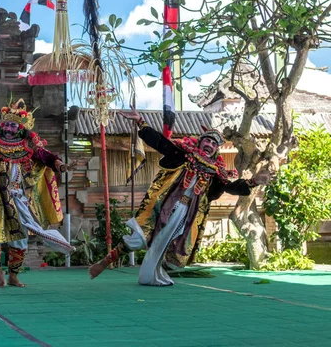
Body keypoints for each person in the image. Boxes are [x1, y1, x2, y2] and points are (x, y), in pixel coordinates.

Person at [89, 107, 271, 286]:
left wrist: (254, 181)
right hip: (165, 206)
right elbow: (161, 142)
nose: (210, 145)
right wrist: (140, 122)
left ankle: (152, 275)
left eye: (214, 144)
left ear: (216, 150)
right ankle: (106, 261)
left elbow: (231, 187)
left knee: (169, 246)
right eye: (207, 141)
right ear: (200, 142)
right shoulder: (183, 154)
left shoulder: (216, 172)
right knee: (140, 238)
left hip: (187, 214)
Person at [0, 98, 74, 288]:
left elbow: (46, 156)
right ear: (2, 125)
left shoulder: (28, 145)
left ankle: (13, 276)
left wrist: (59, 164)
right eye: (7, 124)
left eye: (13, 125)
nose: (9, 129)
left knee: (21, 235)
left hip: (19, 196)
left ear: (21, 128)